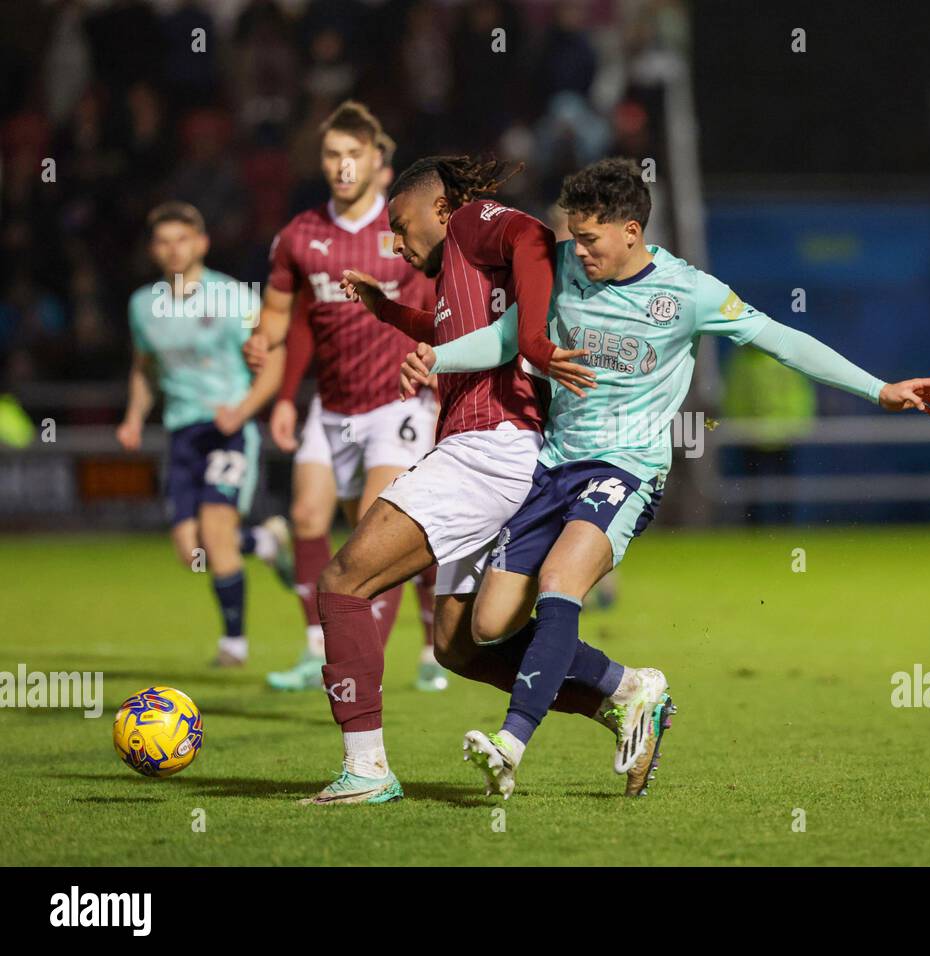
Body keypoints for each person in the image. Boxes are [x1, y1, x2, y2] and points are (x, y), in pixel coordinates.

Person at [399, 158, 930, 799]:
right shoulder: (562, 269)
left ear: (632, 230)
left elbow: (782, 339)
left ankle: (511, 742)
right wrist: (437, 355)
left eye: (590, 238)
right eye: (572, 235)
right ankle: (632, 688)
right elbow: (504, 339)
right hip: (553, 466)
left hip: (625, 469)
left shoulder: (689, 293)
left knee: (559, 584)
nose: (578, 249)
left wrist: (879, 389)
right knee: (490, 626)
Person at [300, 155, 654, 805]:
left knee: (343, 583)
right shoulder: (461, 280)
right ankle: (623, 690)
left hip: (488, 448)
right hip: (506, 454)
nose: (397, 243)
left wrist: (533, 341)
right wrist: (386, 310)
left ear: (440, 209)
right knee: (461, 645)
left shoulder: (470, 222)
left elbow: (531, 237)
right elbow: (445, 330)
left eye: (402, 226)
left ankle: (367, 769)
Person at [243, 101, 446, 693]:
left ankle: (385, 660)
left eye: (353, 154)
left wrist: (445, 360)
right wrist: (269, 364)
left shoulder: (403, 224)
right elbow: (285, 320)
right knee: (306, 516)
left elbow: (447, 294)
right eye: (332, 155)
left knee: (375, 531)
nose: (342, 165)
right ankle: (316, 649)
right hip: (330, 405)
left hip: (398, 400)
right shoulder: (299, 236)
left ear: (377, 162)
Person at [116, 201, 289, 667]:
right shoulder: (142, 306)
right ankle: (263, 542)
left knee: (215, 530)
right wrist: (134, 417)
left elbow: (274, 360)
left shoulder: (233, 297)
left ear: (202, 243)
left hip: (227, 430)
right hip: (181, 435)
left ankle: (234, 643)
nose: (174, 250)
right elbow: (143, 369)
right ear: (154, 249)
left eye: (183, 239)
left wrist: (245, 409)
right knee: (191, 551)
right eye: (164, 241)